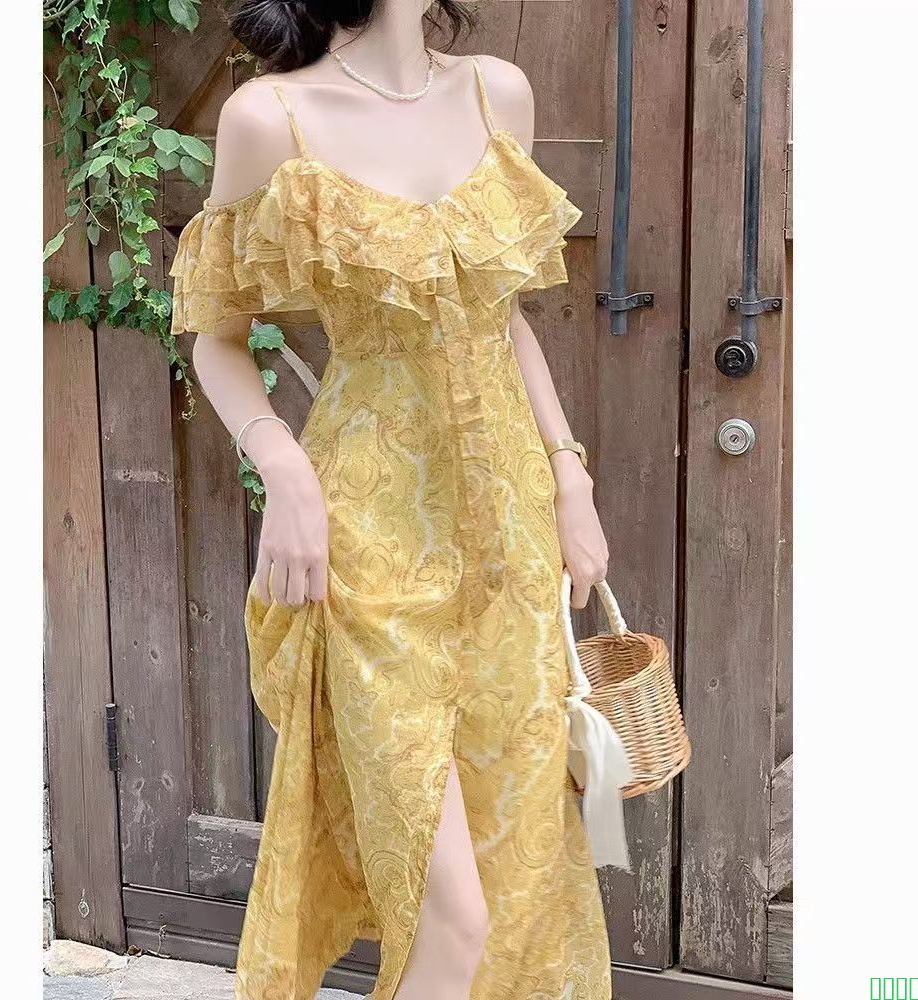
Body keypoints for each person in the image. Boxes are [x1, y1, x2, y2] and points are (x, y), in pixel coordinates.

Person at [169, 1, 613, 997]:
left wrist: (569, 475)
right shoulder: (270, 119)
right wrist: (282, 465)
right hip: (370, 540)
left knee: (517, 870)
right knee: (452, 914)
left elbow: (501, 317)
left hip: (506, 536)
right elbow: (216, 335)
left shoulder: (498, 94)